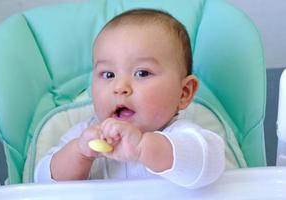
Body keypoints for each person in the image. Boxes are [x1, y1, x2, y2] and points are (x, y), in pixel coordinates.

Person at [34, 9, 227, 188]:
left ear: (184, 92)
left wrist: (143, 147)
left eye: (142, 73)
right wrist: (80, 153)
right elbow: (44, 182)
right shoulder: (85, 136)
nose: (120, 87)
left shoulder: (183, 137)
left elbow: (210, 164)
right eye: (108, 75)